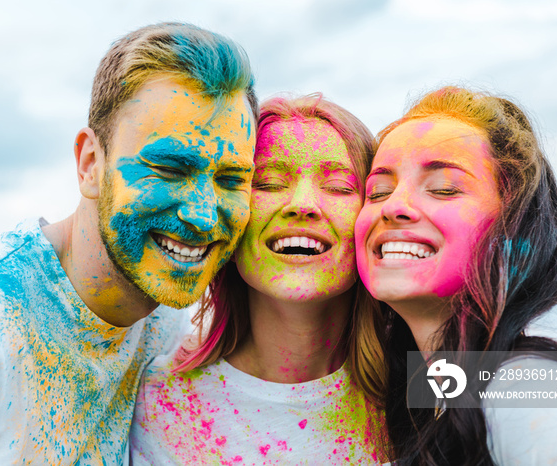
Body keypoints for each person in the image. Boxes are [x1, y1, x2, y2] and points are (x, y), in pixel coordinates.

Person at [0, 22, 258, 464]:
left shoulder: (168, 331)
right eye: (169, 169)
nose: (202, 215)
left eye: (230, 179)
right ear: (90, 163)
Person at [130, 94, 390, 465]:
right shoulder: (158, 399)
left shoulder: (428, 387)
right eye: (268, 183)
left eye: (338, 187)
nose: (302, 203)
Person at [354, 86, 557, 465]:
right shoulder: (451, 374)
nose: (395, 206)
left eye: (444, 189)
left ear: (513, 222)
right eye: (378, 191)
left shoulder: (539, 380)